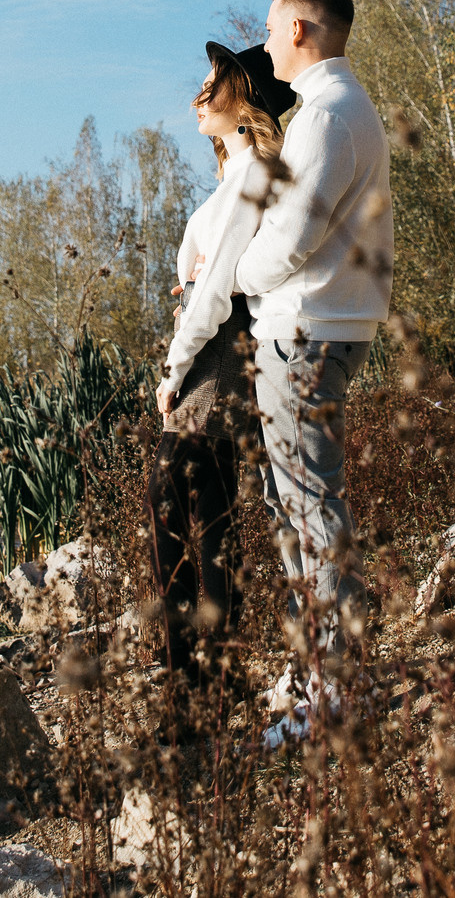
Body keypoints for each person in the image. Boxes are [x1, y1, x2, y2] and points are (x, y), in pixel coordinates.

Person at [237, 0, 391, 743]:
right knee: (294, 503)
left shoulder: (327, 116)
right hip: (323, 324)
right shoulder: (335, 109)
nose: (266, 44)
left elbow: (291, 237)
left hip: (305, 328)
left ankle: (334, 689)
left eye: (271, 29)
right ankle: (314, 672)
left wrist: (232, 276)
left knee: (310, 505)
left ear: (299, 29)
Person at [149, 39, 294, 700]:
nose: (196, 98)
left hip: (217, 360)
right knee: (203, 517)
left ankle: (196, 684)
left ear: (244, 99)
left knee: (180, 512)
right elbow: (206, 278)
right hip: (216, 351)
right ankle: (209, 680)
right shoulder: (237, 177)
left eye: (211, 85)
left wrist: (174, 368)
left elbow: (216, 291)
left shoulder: (254, 172)